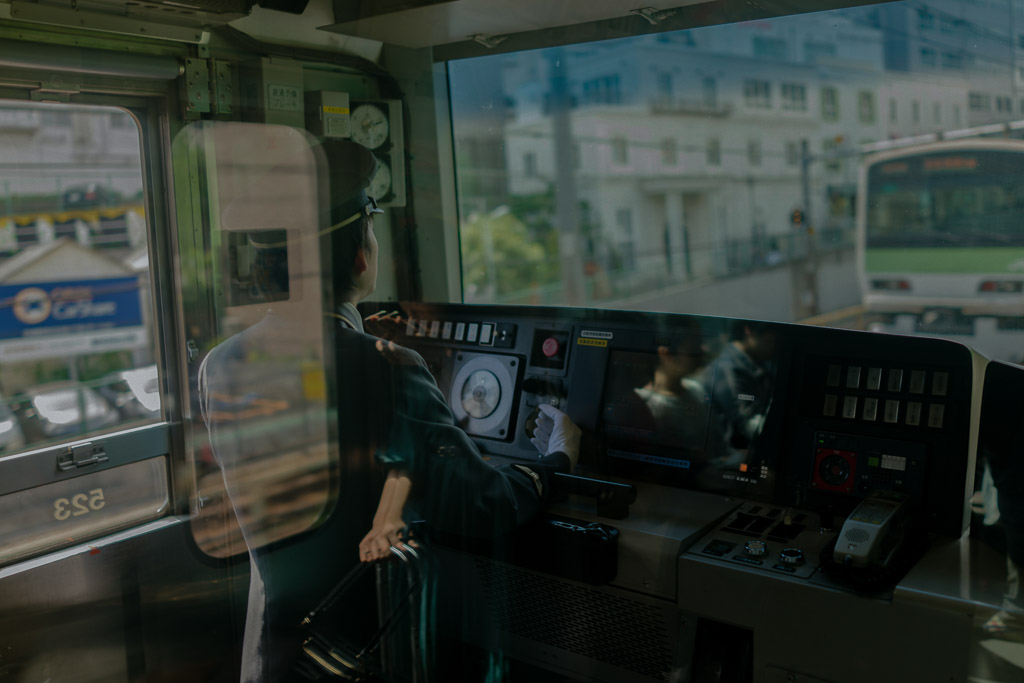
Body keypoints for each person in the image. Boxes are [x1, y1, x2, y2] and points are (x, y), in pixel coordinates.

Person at [199, 135, 581, 681]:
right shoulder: (384, 366)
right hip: (361, 653)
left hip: (275, 653)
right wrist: (557, 463)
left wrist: (372, 347)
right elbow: (478, 502)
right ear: (359, 253)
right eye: (371, 229)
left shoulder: (220, 363)